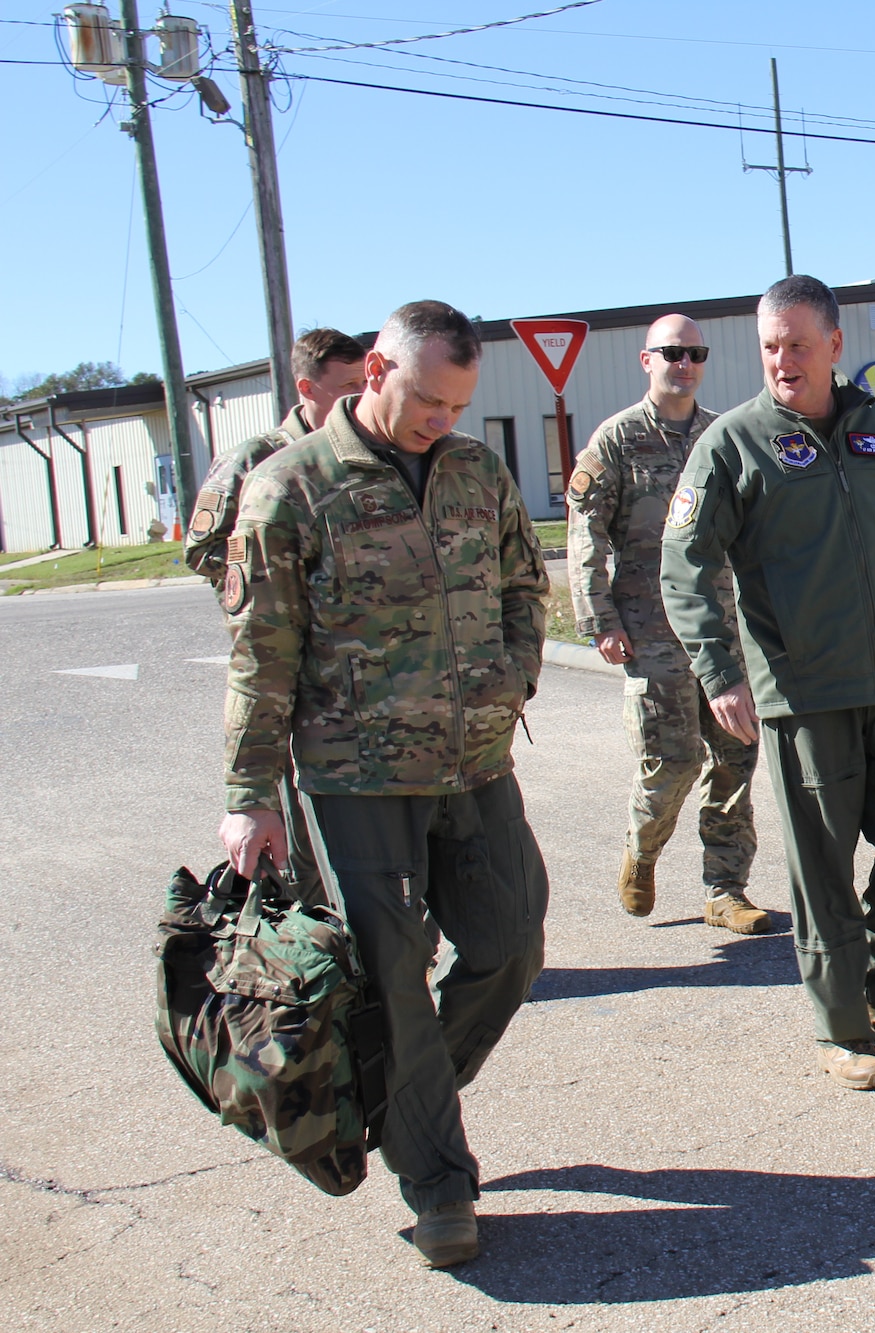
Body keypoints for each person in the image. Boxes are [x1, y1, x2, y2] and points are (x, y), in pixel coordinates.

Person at [215, 300, 551, 1266]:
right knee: (397, 981)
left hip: (476, 762)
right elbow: (260, 658)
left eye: (457, 405)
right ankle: (439, 1182)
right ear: (374, 370)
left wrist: (512, 675)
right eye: (427, 399)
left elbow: (525, 584)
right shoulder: (291, 489)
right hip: (356, 779)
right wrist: (251, 795)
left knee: (511, 945)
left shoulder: (478, 473)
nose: (440, 420)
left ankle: (402, 1105)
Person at [659, 274, 875, 1092]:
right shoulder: (733, 444)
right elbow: (685, 565)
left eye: (798, 345)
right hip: (804, 696)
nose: (782, 361)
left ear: (835, 346)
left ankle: (871, 976)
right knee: (823, 869)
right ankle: (843, 1030)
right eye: (770, 346)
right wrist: (719, 670)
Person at [568, 313, 766, 933]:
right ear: (646, 359)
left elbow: (754, 532)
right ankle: (642, 850)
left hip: (720, 627)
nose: (684, 363)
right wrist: (599, 618)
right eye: (672, 353)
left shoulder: (723, 435)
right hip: (650, 630)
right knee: (672, 762)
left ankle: (724, 890)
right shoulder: (617, 440)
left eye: (695, 353)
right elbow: (586, 535)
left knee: (737, 757)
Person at [186, 329, 367, 904]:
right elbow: (203, 546)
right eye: (346, 388)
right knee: (299, 828)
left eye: (366, 385)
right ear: (307, 388)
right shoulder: (256, 459)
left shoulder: (365, 454)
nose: (360, 398)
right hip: (288, 660)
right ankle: (317, 939)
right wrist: (276, 588)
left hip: (359, 669)